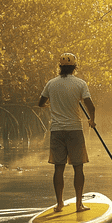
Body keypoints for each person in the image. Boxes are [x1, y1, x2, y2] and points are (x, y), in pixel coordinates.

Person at [38, 52, 96, 213]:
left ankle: (59, 204)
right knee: (78, 167)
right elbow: (91, 106)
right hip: (74, 130)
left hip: (57, 130)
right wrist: (92, 120)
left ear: (60, 67)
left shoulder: (51, 83)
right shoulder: (80, 84)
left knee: (59, 168)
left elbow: (40, 103)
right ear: (74, 67)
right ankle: (79, 205)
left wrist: (50, 105)